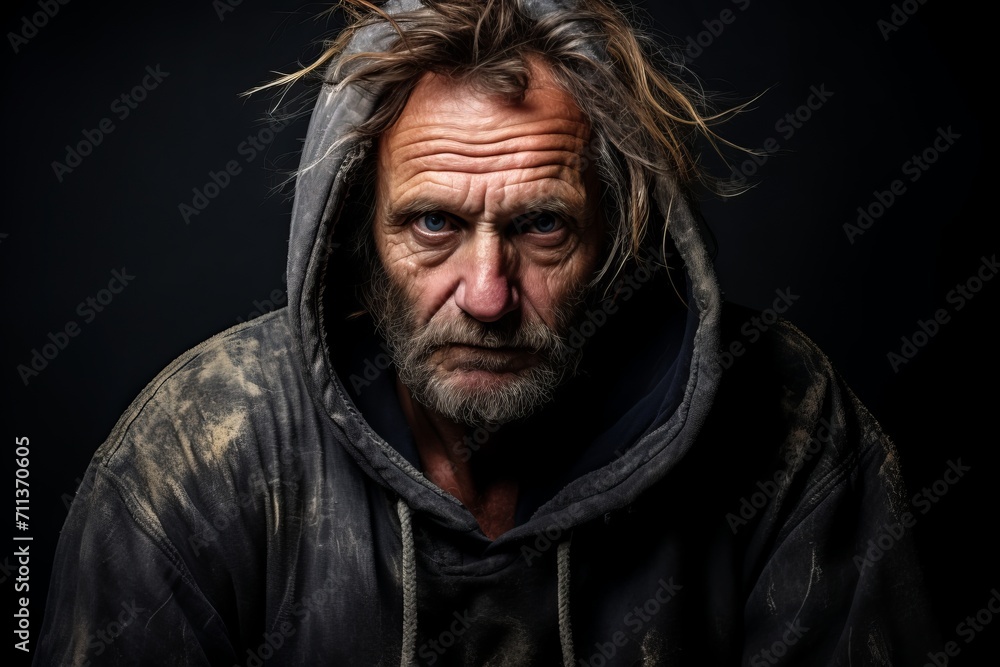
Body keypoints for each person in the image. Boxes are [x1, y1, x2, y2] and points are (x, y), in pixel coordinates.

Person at [35, 0, 936, 664]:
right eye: (431, 224)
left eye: (544, 227)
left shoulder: (788, 428)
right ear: (359, 238)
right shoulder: (193, 460)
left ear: (620, 238)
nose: (488, 294)